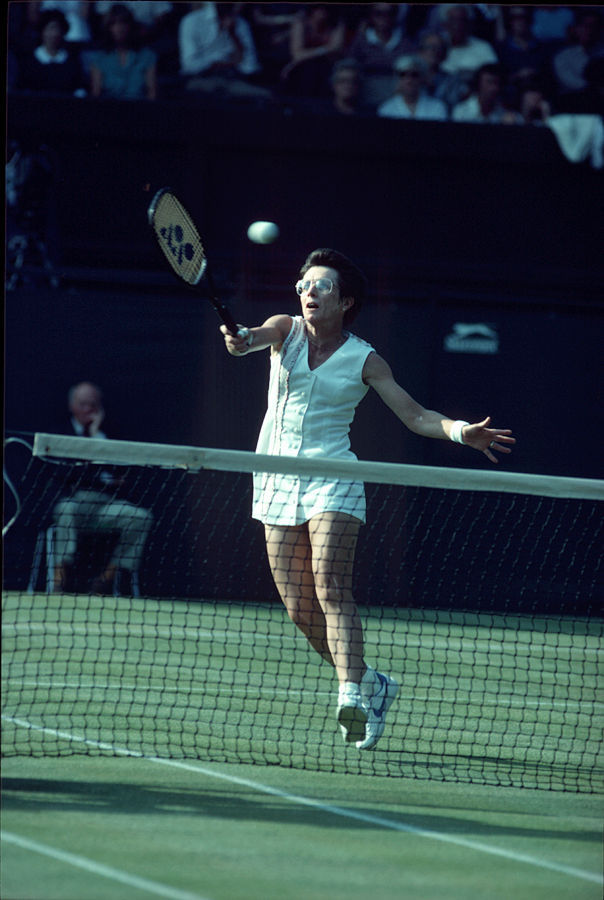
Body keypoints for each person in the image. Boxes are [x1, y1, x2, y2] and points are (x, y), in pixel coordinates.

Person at [220, 248, 515, 750]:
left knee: (330, 584)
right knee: (299, 609)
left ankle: (351, 693)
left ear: (345, 301)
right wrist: (243, 339)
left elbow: (417, 416)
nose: (309, 293)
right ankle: (373, 682)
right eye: (304, 285)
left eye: (322, 286)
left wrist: (463, 432)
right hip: (273, 477)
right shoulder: (285, 329)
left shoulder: (365, 358)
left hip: (334, 478)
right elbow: (252, 339)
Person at [52, 382, 153, 595]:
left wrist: (97, 436)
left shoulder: (109, 433)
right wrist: (99, 477)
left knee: (140, 517)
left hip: (106, 505)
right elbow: (69, 474)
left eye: (93, 404)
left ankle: (105, 580)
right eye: (83, 404)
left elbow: (121, 473)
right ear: (72, 406)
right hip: (75, 502)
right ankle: (59, 580)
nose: (89, 409)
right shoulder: (60, 431)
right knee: (64, 510)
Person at [89, 3, 157, 100]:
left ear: (130, 26)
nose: (119, 28)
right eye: (114, 24)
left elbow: (152, 93)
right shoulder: (99, 58)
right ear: (108, 28)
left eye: (123, 23)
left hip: (140, 110)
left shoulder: (148, 56)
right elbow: (96, 94)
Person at [16, 7, 87, 95]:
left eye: (58, 29)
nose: (54, 34)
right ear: (42, 31)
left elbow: (79, 90)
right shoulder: (28, 62)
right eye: (50, 29)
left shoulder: (72, 62)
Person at [377, 54, 448, 120]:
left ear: (422, 78)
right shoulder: (386, 109)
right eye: (403, 74)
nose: (409, 80)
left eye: (414, 75)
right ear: (397, 79)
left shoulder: (437, 108)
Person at [452, 63, 520, 124]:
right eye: (489, 82)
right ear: (478, 84)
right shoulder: (461, 112)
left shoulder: (505, 113)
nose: (493, 88)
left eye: (496, 83)